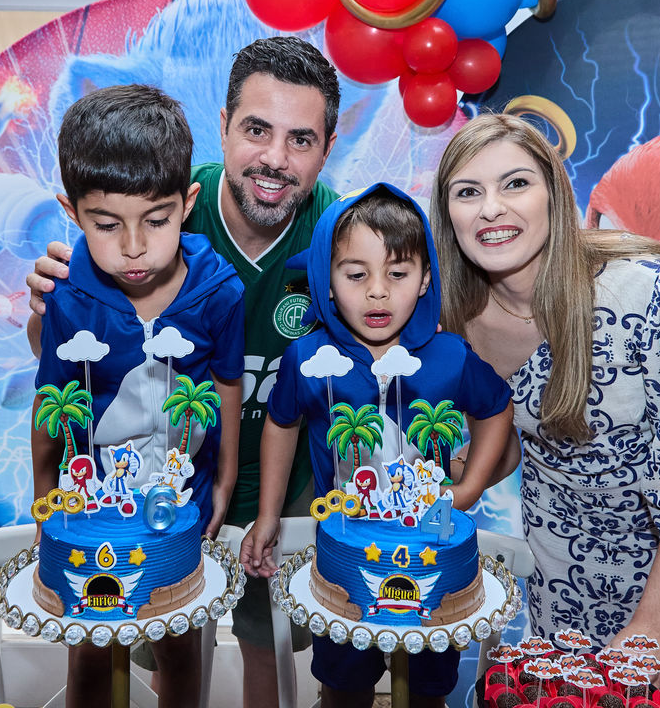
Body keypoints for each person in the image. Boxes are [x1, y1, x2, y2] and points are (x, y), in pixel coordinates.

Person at [27, 36, 340, 706]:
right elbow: (65, 369)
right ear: (223, 127)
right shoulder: (153, 195)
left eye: (301, 139)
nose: (275, 158)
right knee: (158, 632)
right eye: (257, 130)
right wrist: (48, 304)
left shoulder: (340, 235)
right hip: (163, 479)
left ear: (328, 148)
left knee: (265, 640)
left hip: (284, 481)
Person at [429, 113, 660, 701]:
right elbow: (514, 442)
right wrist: (446, 479)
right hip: (563, 577)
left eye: (515, 183)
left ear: (554, 194)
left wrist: (652, 628)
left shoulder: (649, 291)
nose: (491, 209)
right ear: (449, 215)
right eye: (468, 192)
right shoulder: (456, 317)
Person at [241, 183, 517, 708]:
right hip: (344, 565)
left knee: (428, 693)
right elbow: (281, 423)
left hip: (432, 559)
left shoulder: (449, 355)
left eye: (397, 273)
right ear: (325, 280)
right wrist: (269, 514)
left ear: (426, 277)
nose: (377, 293)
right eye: (356, 274)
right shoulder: (307, 357)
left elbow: (496, 408)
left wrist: (469, 488)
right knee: (343, 690)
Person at [31, 84, 244, 708]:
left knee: (179, 644)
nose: (133, 246)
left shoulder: (220, 291)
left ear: (187, 204)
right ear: (73, 213)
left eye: (156, 220)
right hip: (90, 509)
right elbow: (51, 402)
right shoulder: (68, 297)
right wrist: (43, 499)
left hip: (182, 500)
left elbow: (227, 385)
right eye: (106, 224)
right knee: (91, 651)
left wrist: (226, 478)